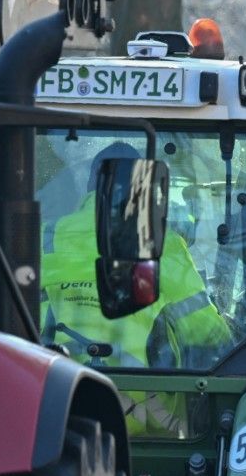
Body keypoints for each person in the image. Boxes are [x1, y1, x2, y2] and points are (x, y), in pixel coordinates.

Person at [41, 140, 235, 370]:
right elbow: (204, 332)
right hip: (143, 400)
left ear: (93, 183)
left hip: (53, 391)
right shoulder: (165, 243)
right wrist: (231, 331)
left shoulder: (44, 236)